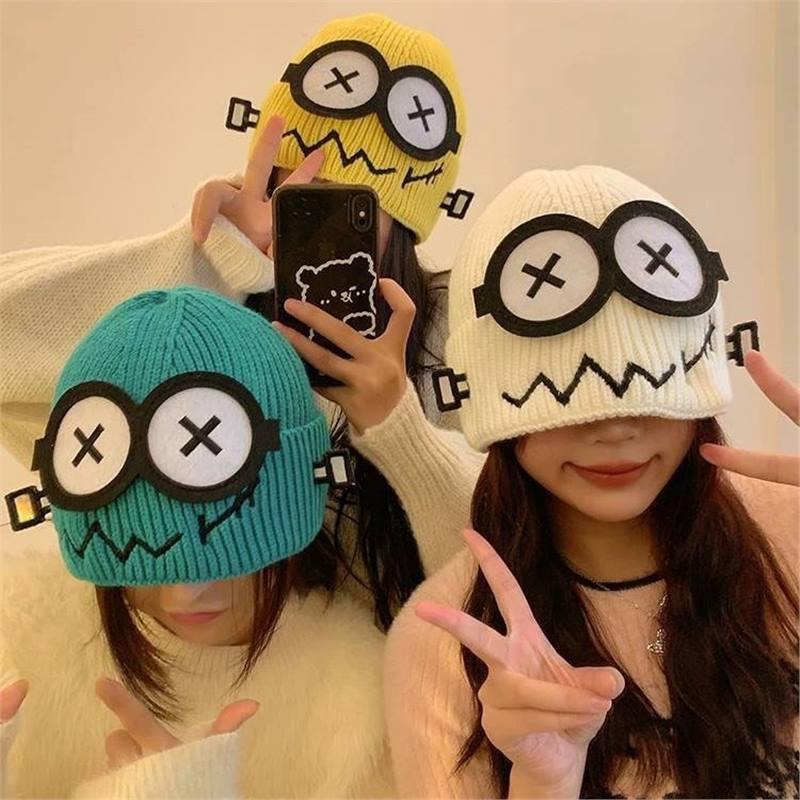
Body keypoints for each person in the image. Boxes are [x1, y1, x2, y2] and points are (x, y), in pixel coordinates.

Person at [0, 12, 484, 628]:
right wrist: (207, 259)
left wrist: (398, 424)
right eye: (302, 196)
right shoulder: (214, 313)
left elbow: (509, 571)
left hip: (403, 667)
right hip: (242, 664)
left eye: (354, 207)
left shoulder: (459, 331)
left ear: (408, 219)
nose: (322, 232)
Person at [384, 166, 799, 798]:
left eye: (649, 387)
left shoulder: (789, 530)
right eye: (562, 398)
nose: (614, 430)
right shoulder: (445, 646)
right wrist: (543, 783)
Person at [0, 287, 393, 798]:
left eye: (225, 555)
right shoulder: (19, 639)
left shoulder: (359, 702)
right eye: (151, 566)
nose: (183, 595)